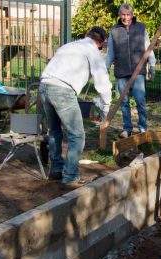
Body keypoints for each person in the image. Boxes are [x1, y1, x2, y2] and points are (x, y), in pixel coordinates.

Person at [39, 26, 112, 189]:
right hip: (62, 90)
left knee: (55, 130)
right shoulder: (92, 51)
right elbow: (102, 80)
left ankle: (56, 169)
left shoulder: (69, 46)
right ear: (101, 43)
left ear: (87, 35)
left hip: (44, 86)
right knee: (77, 136)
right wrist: (105, 107)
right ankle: (70, 177)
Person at [106, 3, 156, 138]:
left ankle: (142, 128)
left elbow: (148, 47)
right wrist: (106, 68)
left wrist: (152, 65)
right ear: (119, 15)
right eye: (123, 14)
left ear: (132, 15)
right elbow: (110, 51)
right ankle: (127, 128)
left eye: (128, 14)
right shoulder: (114, 30)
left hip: (138, 70)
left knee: (140, 100)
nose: (126, 17)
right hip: (121, 71)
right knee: (124, 102)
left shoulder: (141, 28)